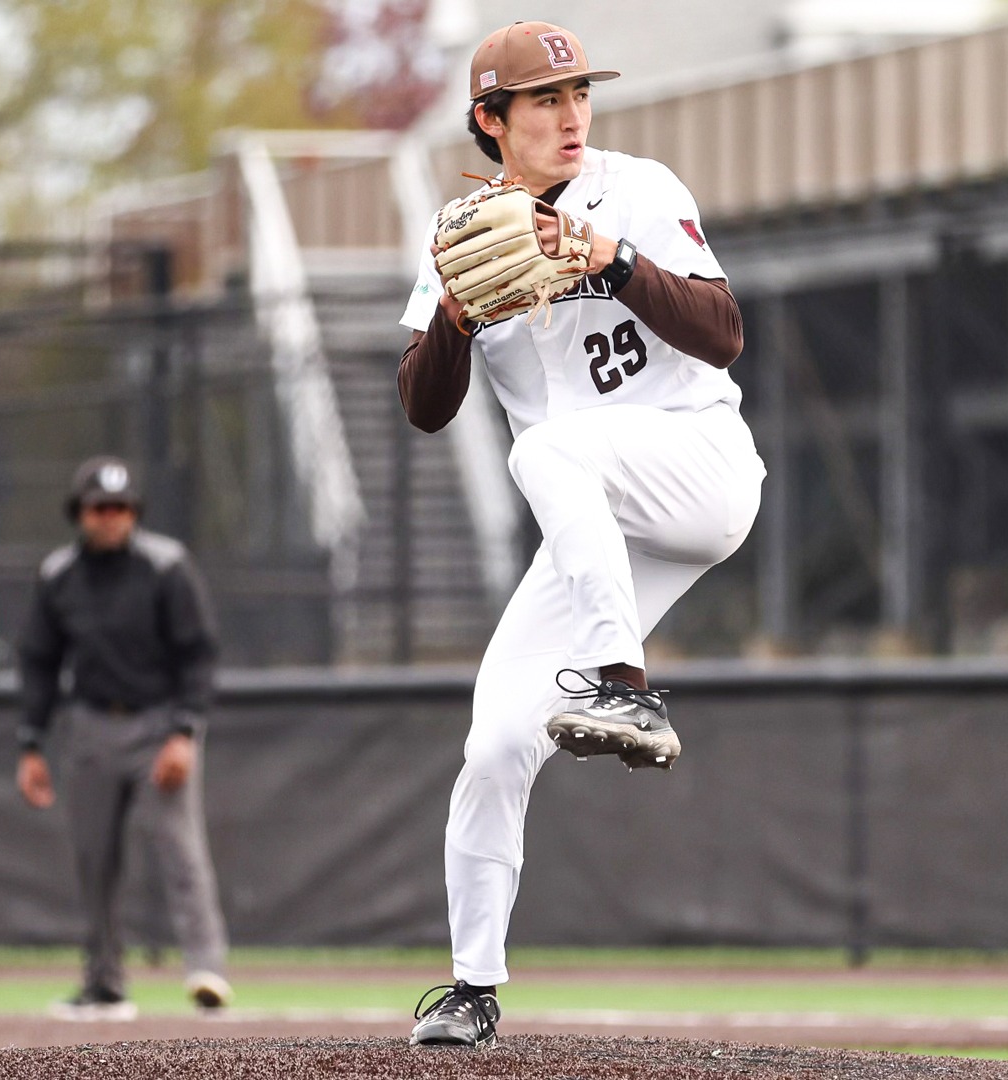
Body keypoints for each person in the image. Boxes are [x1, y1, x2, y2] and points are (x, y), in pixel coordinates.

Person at [396, 21, 764, 1048]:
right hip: (593, 525)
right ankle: (473, 987)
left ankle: (626, 688)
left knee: (545, 452)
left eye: (578, 95)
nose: (571, 116)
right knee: (497, 741)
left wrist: (612, 263)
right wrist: (456, 318)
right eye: (544, 101)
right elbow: (425, 407)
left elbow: (724, 332)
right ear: (491, 121)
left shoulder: (636, 188)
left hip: (698, 469)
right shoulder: (465, 230)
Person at [14, 456, 232, 1018]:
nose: (110, 518)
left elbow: (198, 654)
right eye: (99, 508)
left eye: (120, 507)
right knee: (95, 858)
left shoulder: (166, 566)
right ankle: (103, 981)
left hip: (159, 723)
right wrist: (30, 742)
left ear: (133, 512)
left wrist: (185, 730)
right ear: (80, 513)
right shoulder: (58, 573)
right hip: (88, 725)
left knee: (181, 849)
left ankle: (207, 968)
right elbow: (39, 660)